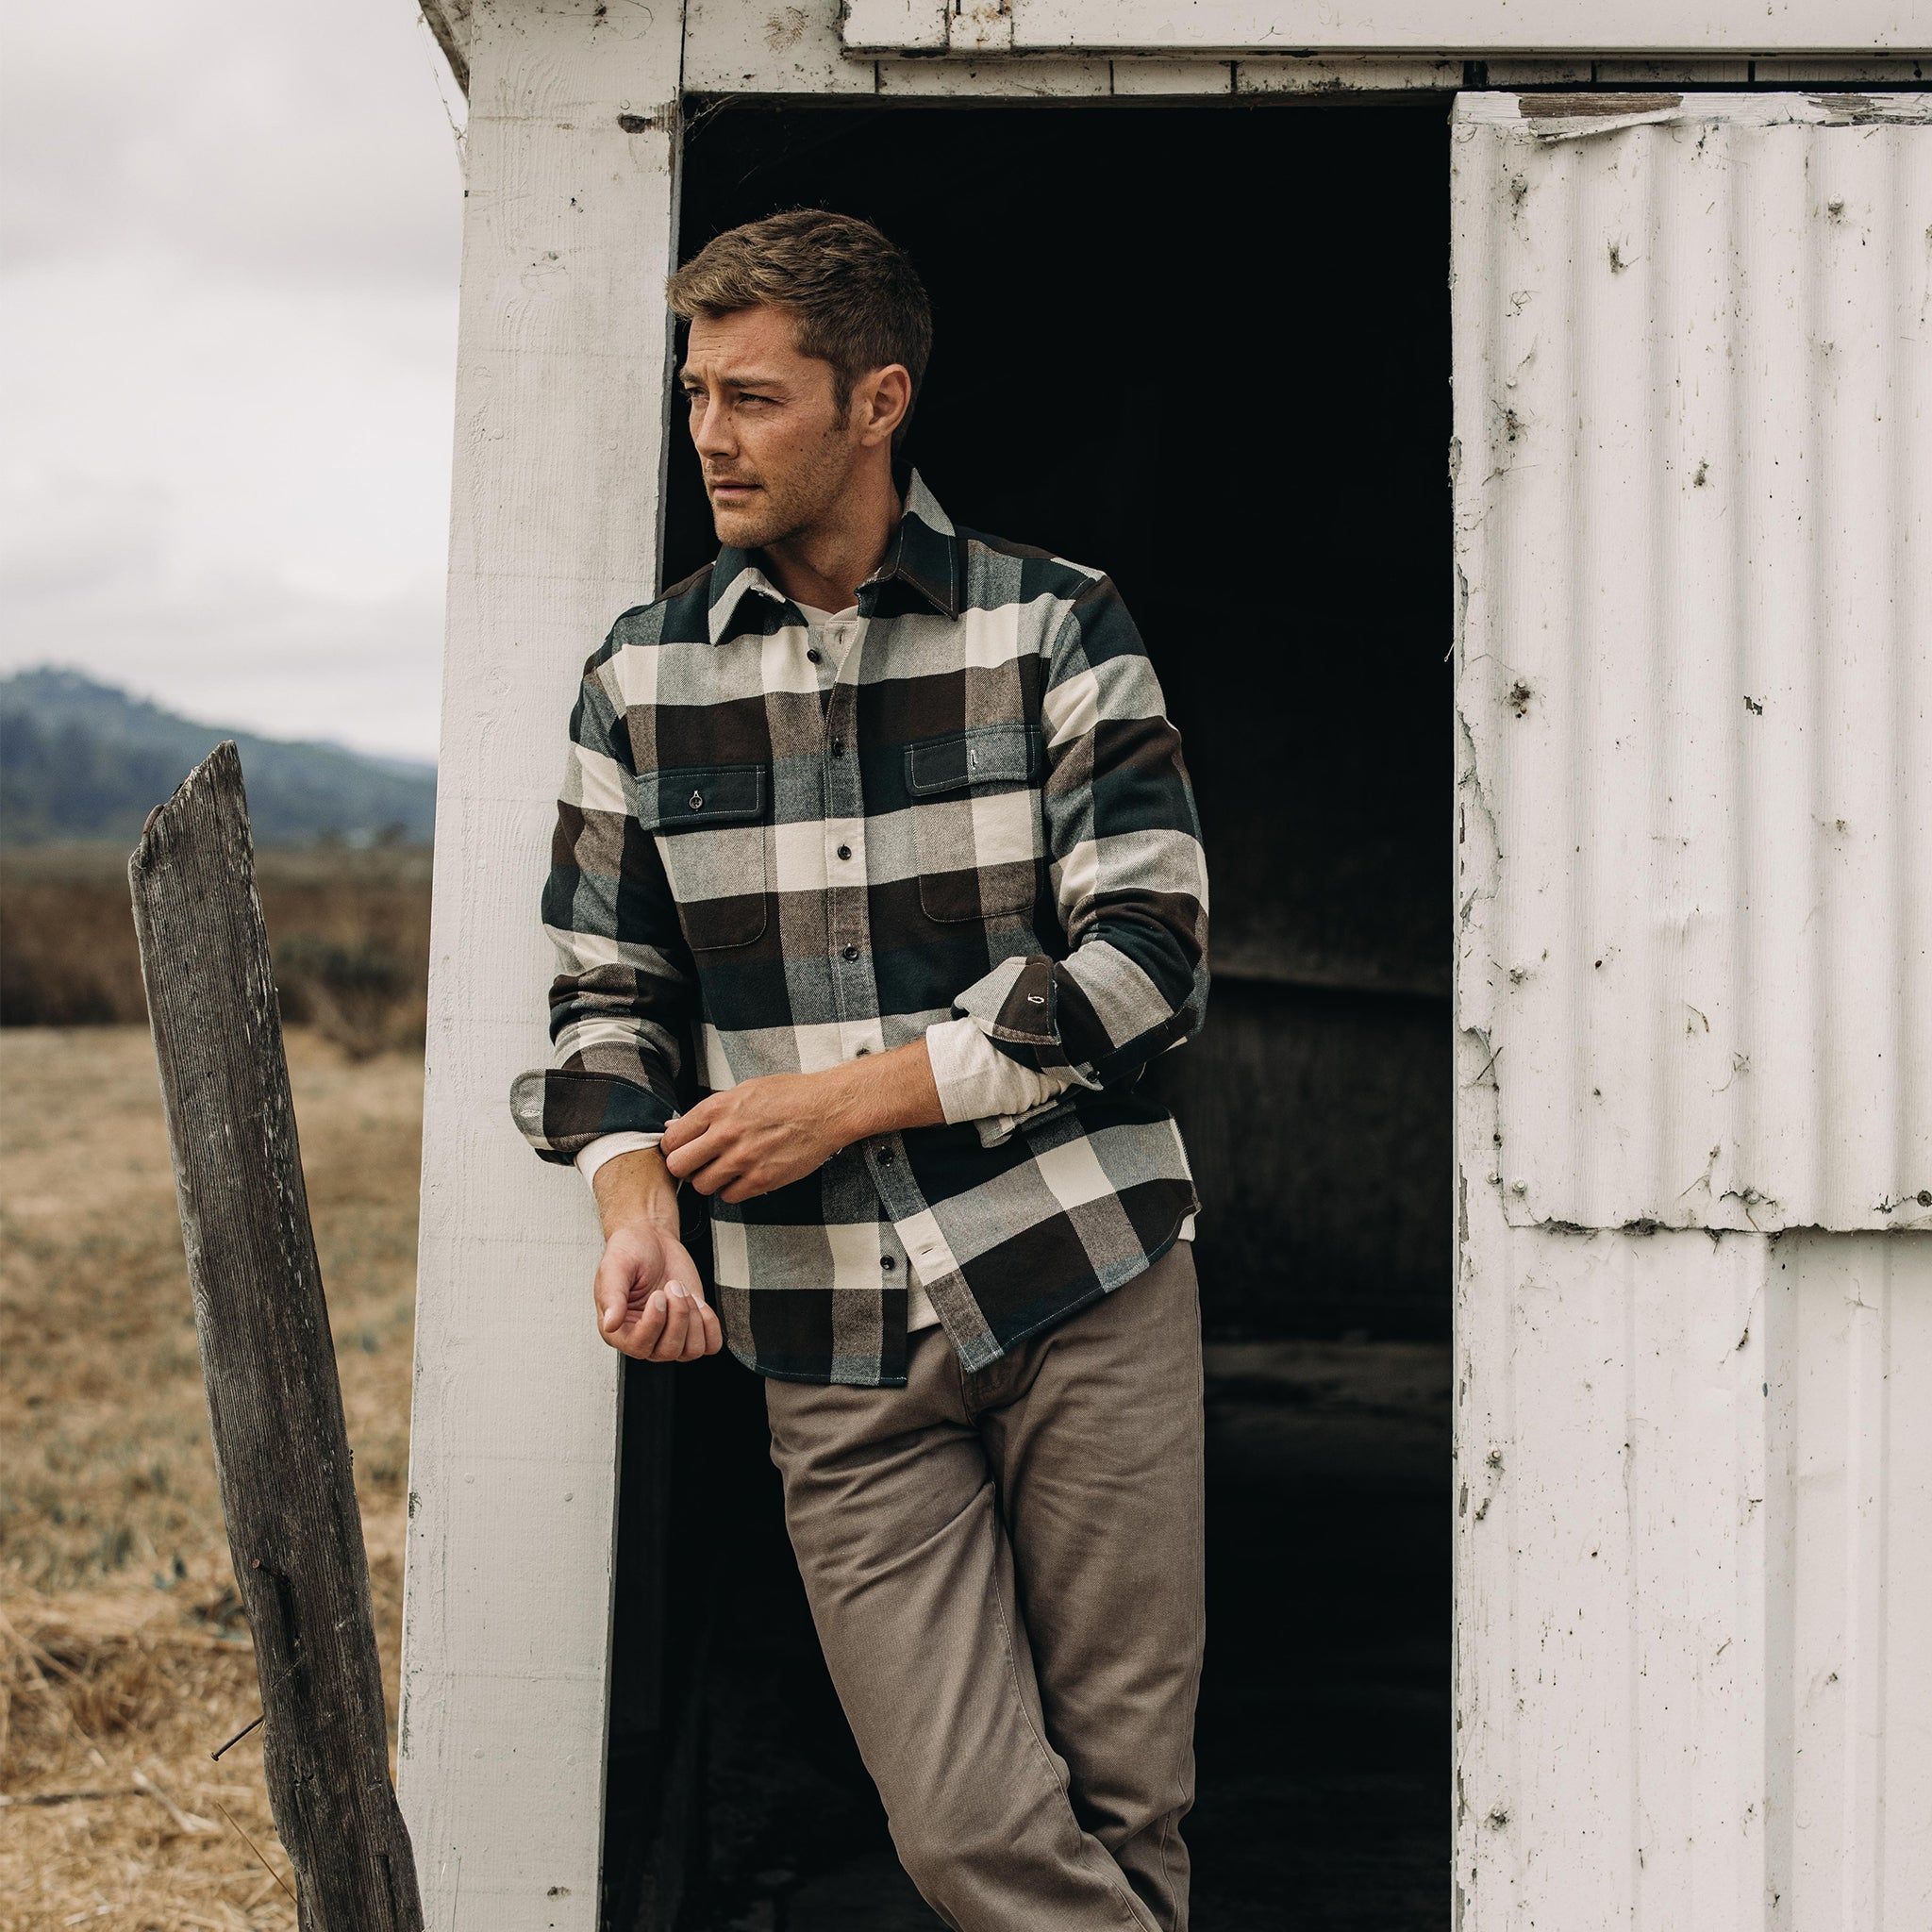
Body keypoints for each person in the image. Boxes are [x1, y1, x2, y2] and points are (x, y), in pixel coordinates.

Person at [508, 206, 1210, 1931]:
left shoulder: (1055, 628)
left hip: (1085, 1272)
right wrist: (635, 1209)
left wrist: (847, 1097)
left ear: (877, 401)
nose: (708, 436)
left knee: (1129, 1809)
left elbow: (1148, 963)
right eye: (696, 394)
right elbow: (604, 995)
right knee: (968, 1831)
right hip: (820, 1329)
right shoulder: (641, 676)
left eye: (752, 397)